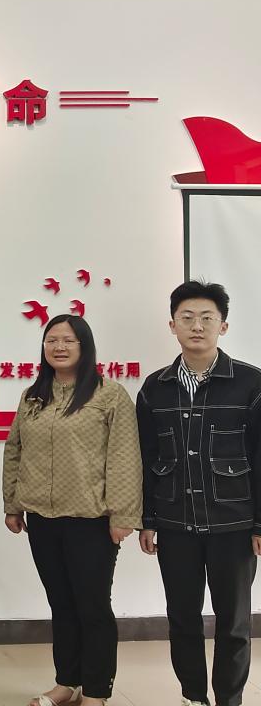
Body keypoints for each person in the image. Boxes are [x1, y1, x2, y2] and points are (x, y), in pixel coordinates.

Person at [2, 314, 142, 706]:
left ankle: (96, 690)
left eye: (68, 340)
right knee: (61, 604)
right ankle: (67, 682)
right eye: (52, 340)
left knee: (92, 606)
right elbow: (14, 449)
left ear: (85, 346)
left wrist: (123, 515)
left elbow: (124, 457)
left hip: (91, 520)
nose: (59, 347)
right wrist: (13, 504)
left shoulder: (109, 395)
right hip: (42, 520)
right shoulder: (33, 396)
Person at [138, 281, 261, 706]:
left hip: (235, 525)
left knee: (234, 622)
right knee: (182, 618)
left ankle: (229, 699)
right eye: (187, 317)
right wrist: (148, 520)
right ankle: (193, 696)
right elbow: (147, 458)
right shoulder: (154, 388)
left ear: (223, 326)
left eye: (207, 318)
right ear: (172, 325)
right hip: (176, 524)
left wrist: (260, 523)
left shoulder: (251, 383)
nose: (197, 326)